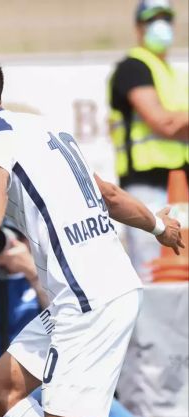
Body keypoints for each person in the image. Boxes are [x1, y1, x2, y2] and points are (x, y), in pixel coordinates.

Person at [0, 50, 184, 417]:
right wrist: (156, 226)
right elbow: (109, 195)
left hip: (88, 300)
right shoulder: (44, 129)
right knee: (0, 389)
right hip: (91, 294)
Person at [0, 225, 148, 417]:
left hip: (38, 374)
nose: (6, 243)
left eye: (17, 236)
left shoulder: (47, 274)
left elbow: (64, 317)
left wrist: (31, 272)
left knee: (100, 409)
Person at [108, 0, 189, 280]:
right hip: (146, 188)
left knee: (181, 271)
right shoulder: (133, 68)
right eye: (153, 19)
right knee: (152, 270)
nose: (161, 25)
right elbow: (163, 122)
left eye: (166, 18)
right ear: (138, 27)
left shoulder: (174, 73)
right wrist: (177, 121)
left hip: (179, 187)